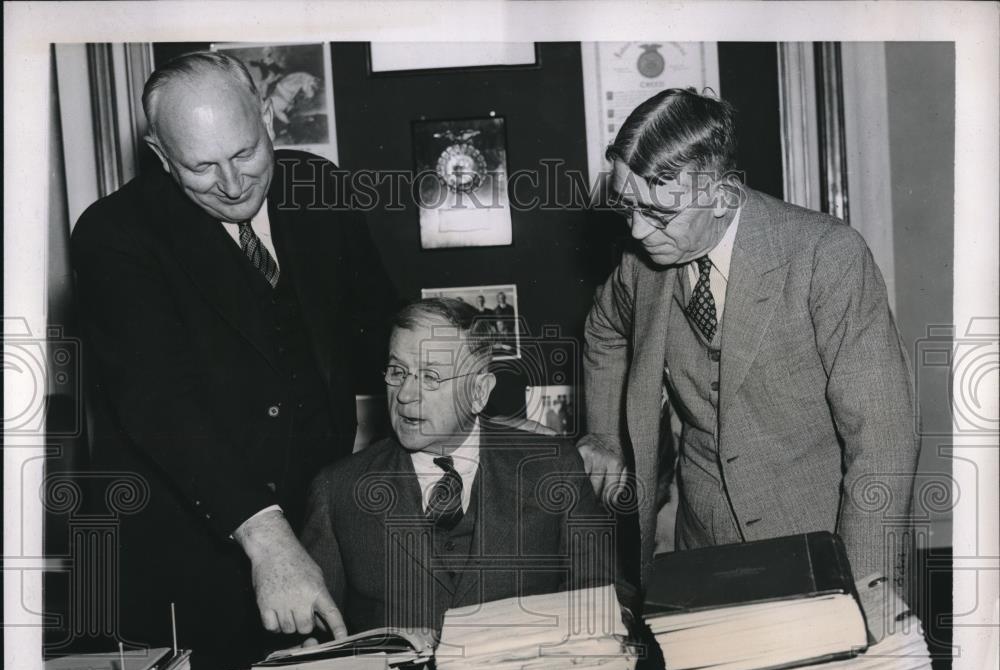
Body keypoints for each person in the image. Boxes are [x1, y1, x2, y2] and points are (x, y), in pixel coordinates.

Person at [70, 51, 396, 670]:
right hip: (184, 558)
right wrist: (266, 539)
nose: (232, 183)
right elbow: (160, 402)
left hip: (312, 531)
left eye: (245, 154)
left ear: (269, 116)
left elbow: (379, 330)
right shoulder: (113, 235)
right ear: (162, 156)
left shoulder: (318, 188)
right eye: (200, 167)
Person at [578, 88, 919, 587]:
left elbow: (883, 442)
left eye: (658, 214)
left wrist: (864, 587)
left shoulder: (827, 256)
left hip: (820, 547)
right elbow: (603, 330)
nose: (637, 232)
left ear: (719, 195)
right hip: (703, 549)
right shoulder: (642, 267)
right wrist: (605, 434)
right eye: (628, 207)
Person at [302, 299, 616, 635]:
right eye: (397, 371)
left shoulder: (553, 468)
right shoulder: (337, 490)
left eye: (431, 376)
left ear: (479, 391)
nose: (406, 394)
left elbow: (601, 600)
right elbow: (319, 638)